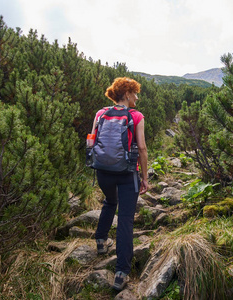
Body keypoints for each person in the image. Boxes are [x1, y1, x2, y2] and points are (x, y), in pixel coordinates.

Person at [92, 77, 150, 291]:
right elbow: (142, 149)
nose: (137, 97)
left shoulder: (100, 113)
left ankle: (100, 241)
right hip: (127, 174)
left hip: (103, 172)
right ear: (126, 94)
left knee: (109, 201)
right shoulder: (136, 116)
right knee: (125, 219)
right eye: (135, 93)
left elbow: (93, 140)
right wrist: (144, 177)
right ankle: (121, 272)